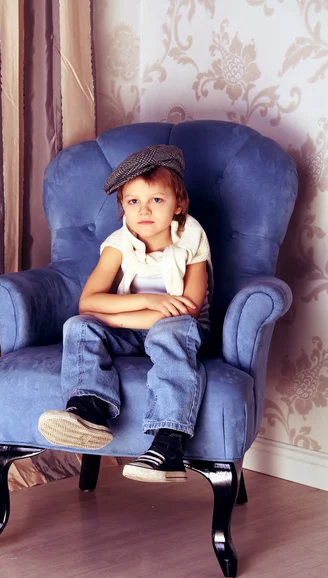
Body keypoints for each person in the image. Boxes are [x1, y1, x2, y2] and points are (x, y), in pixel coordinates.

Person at [38, 144, 213, 483]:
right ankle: (90, 408)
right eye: (133, 202)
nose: (144, 210)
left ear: (179, 204)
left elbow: (189, 308)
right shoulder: (119, 243)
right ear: (122, 209)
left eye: (156, 200)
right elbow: (89, 303)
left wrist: (127, 315)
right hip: (133, 327)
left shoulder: (192, 236)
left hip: (182, 330)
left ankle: (169, 443)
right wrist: (149, 301)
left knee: (169, 331)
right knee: (79, 326)